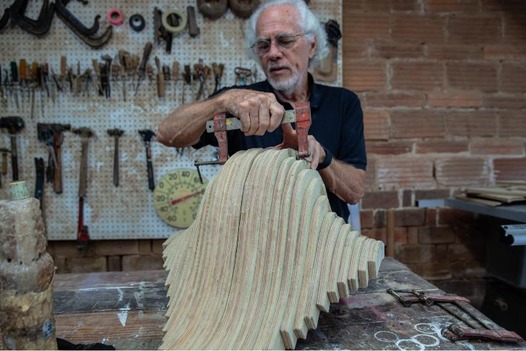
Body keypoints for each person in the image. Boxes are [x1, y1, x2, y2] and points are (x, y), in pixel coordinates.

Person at [156, 0, 366, 222]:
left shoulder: (344, 103)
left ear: (312, 46)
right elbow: (166, 134)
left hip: (324, 244)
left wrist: (322, 156)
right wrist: (223, 100)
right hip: (253, 243)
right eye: (263, 45)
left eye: (285, 41)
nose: (273, 53)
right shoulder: (239, 102)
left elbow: (355, 191)